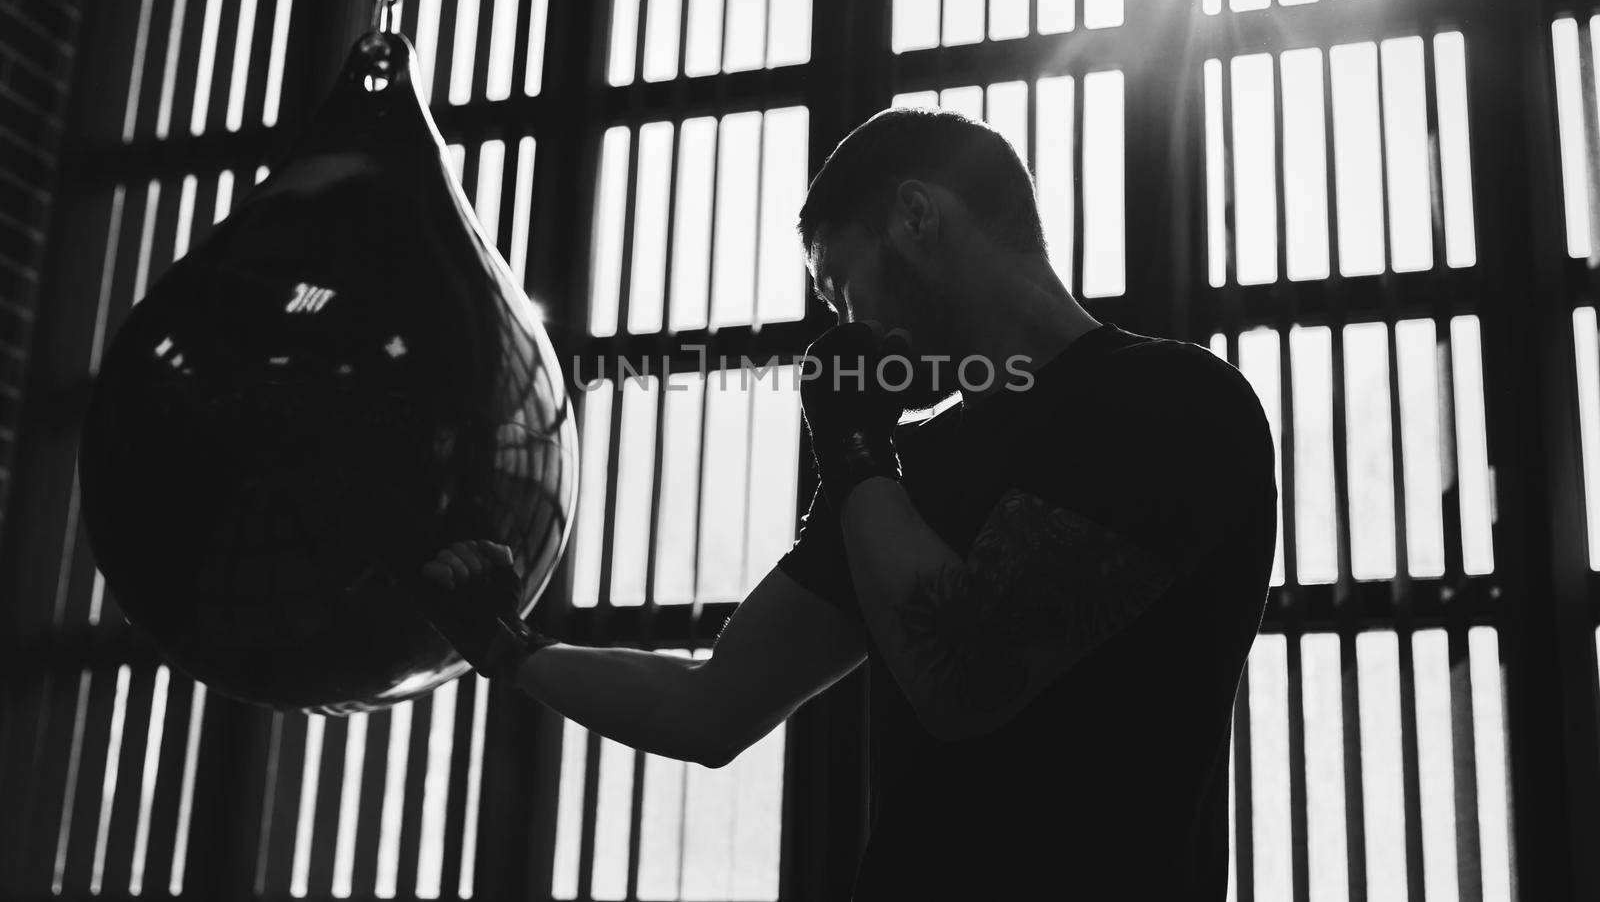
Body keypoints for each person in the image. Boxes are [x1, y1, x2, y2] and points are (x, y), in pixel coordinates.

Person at [408, 108, 1279, 899]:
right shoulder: (904, 475)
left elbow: (969, 679)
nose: (842, 325)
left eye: (838, 287)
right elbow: (709, 707)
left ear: (916, 217)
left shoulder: (1175, 403)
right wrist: (509, 648)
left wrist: (856, 447)